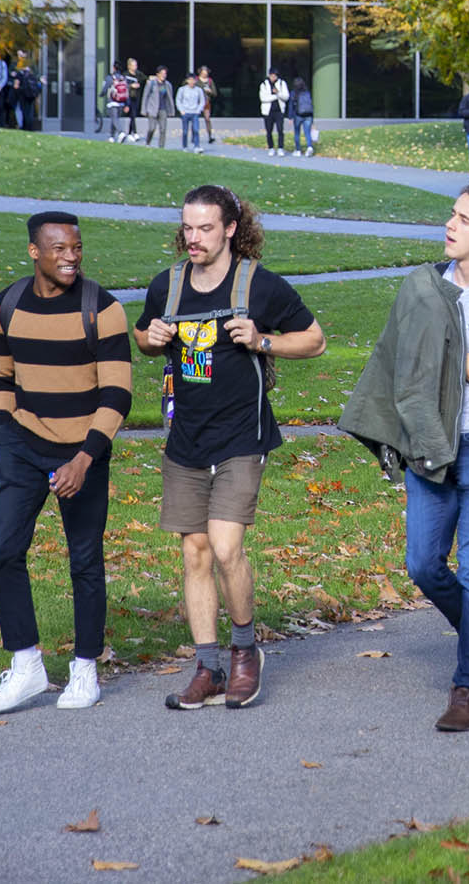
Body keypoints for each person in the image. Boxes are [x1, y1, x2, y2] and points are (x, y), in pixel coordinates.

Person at [339, 184, 469, 733]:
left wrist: (456, 355)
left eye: (463, 219)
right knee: (423, 564)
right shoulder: (425, 289)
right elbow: (395, 361)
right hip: (429, 443)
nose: (450, 225)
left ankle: (468, 686)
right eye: (452, 214)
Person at [135, 186, 326, 710]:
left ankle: (245, 653)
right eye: (188, 228)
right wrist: (149, 337)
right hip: (186, 439)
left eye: (204, 229)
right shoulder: (168, 285)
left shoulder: (258, 286)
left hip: (242, 436)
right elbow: (143, 336)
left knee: (224, 546)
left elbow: (314, 339)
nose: (193, 239)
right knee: (194, 551)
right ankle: (208, 667)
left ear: (230, 230)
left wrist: (263, 339)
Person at [0, 211, 133, 713]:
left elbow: (116, 394)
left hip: (83, 449)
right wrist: (4, 434)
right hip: (21, 445)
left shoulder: (103, 309)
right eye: (59, 249)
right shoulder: (7, 304)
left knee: (84, 560)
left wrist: (85, 459)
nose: (71, 257)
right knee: (2, 547)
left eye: (77, 247)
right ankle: (26, 666)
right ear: (34, 252)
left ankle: (85, 669)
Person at [141, 64, 176, 149]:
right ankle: (148, 142)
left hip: (163, 109)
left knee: (163, 129)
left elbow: (170, 98)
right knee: (152, 128)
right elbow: (145, 96)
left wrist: (172, 110)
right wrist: (144, 110)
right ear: (157, 74)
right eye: (162, 73)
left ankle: (161, 147)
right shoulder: (151, 84)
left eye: (165, 74)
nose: (164, 75)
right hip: (152, 109)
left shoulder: (167, 85)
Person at [175, 66, 208, 153]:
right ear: (187, 81)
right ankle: (185, 146)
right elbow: (178, 100)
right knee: (185, 131)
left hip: (194, 113)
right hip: (185, 112)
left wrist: (198, 110)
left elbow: (202, 101)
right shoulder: (182, 89)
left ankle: (197, 146)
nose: (192, 82)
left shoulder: (198, 90)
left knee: (196, 130)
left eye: (193, 80)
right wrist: (181, 110)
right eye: (190, 80)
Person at [261, 68, 291, 155]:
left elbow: (286, 97)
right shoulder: (264, 84)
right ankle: (271, 148)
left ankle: (280, 148)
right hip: (268, 112)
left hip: (279, 111)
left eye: (275, 76)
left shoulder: (282, 83)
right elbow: (263, 98)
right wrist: (275, 97)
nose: (273, 77)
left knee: (280, 130)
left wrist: (278, 93)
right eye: (272, 76)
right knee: (269, 131)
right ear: (269, 75)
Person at [290, 76, 316, 155]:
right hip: (308, 115)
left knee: (297, 132)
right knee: (307, 132)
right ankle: (309, 147)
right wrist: (312, 118)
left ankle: (298, 150)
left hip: (298, 115)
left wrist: (290, 117)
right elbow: (310, 105)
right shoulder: (307, 92)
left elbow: (291, 106)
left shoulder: (293, 93)